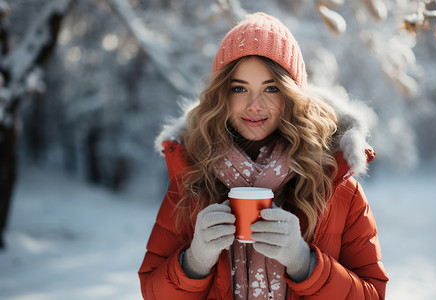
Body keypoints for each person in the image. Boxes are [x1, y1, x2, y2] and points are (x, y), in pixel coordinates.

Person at [139, 12, 388, 299]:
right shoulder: (192, 179)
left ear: (292, 95)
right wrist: (195, 261)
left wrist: (304, 263)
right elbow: (152, 292)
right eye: (239, 88)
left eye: (271, 88)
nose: (254, 105)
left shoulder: (336, 184)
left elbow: (373, 295)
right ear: (222, 95)